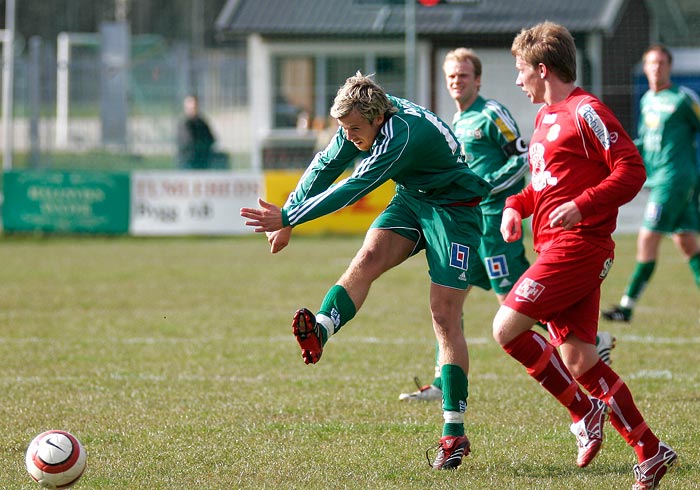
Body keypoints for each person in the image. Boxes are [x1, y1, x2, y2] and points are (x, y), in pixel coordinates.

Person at [240, 72, 492, 470]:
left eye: (355, 129)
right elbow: (325, 165)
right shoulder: (360, 119)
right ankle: (321, 329)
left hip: (455, 210)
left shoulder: (400, 135)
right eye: (345, 129)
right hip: (413, 198)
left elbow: (352, 187)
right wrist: (288, 215)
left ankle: (454, 433)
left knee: (444, 315)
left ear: (375, 118)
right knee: (368, 256)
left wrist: (289, 215)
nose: (349, 136)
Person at [493, 22, 676, 489]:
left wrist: (584, 205)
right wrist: (516, 206)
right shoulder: (543, 119)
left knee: (506, 327)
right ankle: (650, 451)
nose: (517, 81)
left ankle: (581, 409)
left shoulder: (586, 111)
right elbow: (544, 186)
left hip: (581, 247)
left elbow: (631, 170)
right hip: (556, 245)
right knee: (579, 360)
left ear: (542, 68)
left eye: (520, 71)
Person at [399, 48, 616, 402]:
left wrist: (489, 192)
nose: (457, 81)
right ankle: (442, 383)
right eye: (451, 76)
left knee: (511, 302)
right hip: (468, 228)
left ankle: (590, 343)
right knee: (449, 302)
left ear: (478, 79)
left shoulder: (491, 113)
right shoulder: (456, 122)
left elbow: (519, 157)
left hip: (498, 226)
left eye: (464, 75)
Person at [602, 44, 700, 322]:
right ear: (645, 68)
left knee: (647, 238)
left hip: (676, 179)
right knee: (688, 243)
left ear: (669, 67)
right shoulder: (646, 100)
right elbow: (645, 140)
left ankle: (626, 307)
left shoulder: (682, 99)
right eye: (651, 63)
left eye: (661, 63)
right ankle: (627, 307)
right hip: (659, 179)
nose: (656, 68)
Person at [177, 94, 216, 169]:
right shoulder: (184, 124)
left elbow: (211, 139)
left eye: (194, 105)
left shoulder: (202, 122)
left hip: (203, 162)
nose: (192, 108)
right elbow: (188, 143)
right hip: (188, 162)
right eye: (190, 106)